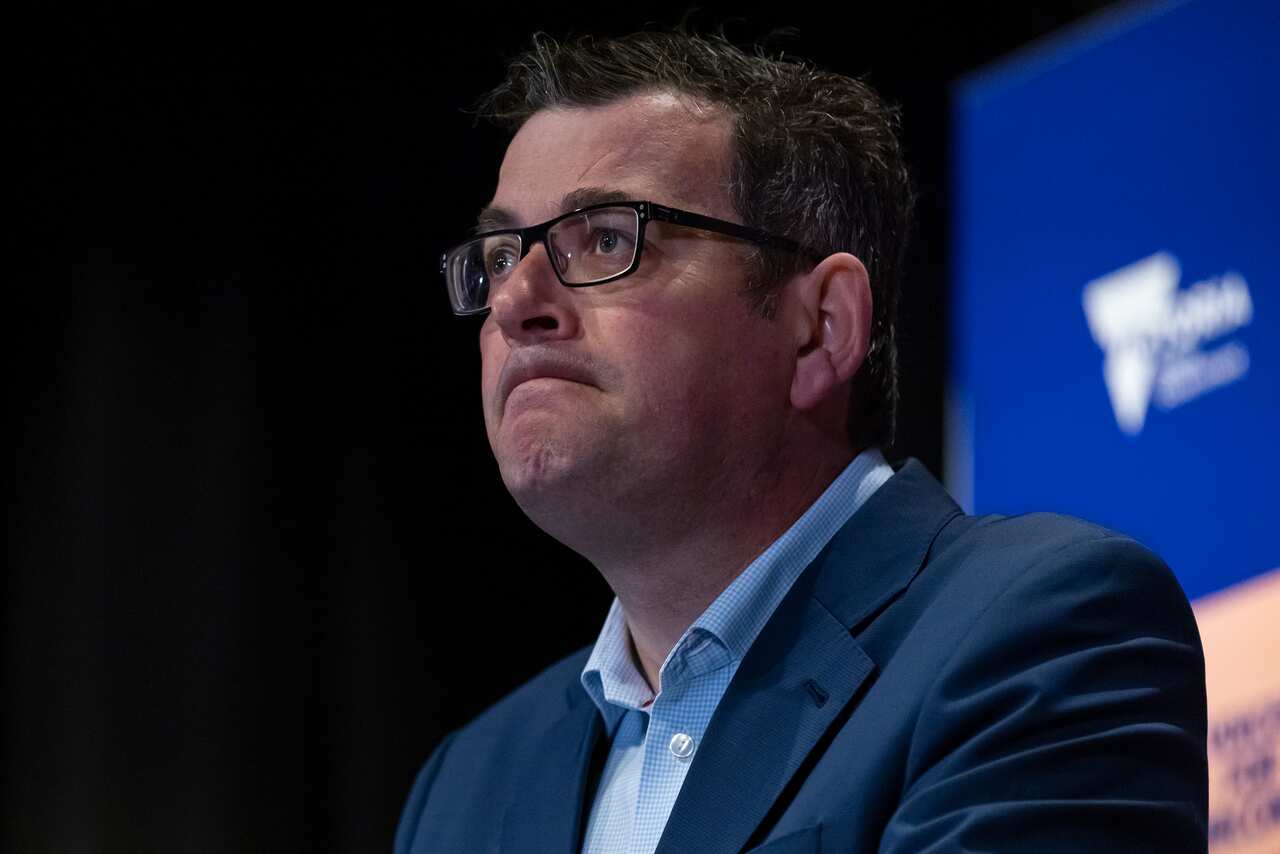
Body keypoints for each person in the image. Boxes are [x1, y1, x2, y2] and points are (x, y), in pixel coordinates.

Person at [396, 30, 1208, 853]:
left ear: (821, 328)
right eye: (502, 257)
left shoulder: (1041, 634)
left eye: (609, 239)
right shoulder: (465, 787)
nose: (515, 302)